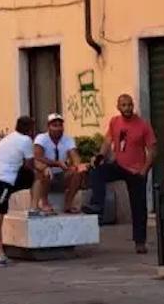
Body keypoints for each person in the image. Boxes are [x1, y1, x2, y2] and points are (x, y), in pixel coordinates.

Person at [94, 92, 157, 253]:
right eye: (124, 105)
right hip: (119, 165)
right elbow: (107, 141)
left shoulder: (143, 125)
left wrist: (144, 170)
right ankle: (97, 206)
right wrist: (100, 156)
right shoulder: (114, 122)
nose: (127, 108)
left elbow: (152, 150)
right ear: (118, 107)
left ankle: (140, 242)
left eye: (129, 105)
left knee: (139, 207)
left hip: (136, 171)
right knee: (98, 172)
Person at [0, 113, 37, 265]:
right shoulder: (25, 140)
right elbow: (30, 164)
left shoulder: (8, 138)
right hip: (0, 183)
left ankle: (0, 254)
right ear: (30, 129)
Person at [31, 113, 85, 214]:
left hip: (62, 174)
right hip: (46, 172)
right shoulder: (41, 138)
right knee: (44, 170)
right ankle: (45, 203)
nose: (58, 128)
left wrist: (77, 165)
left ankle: (68, 204)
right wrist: (57, 163)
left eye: (60, 125)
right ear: (48, 127)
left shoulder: (68, 139)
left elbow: (74, 155)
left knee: (77, 172)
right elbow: (38, 157)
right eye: (54, 125)